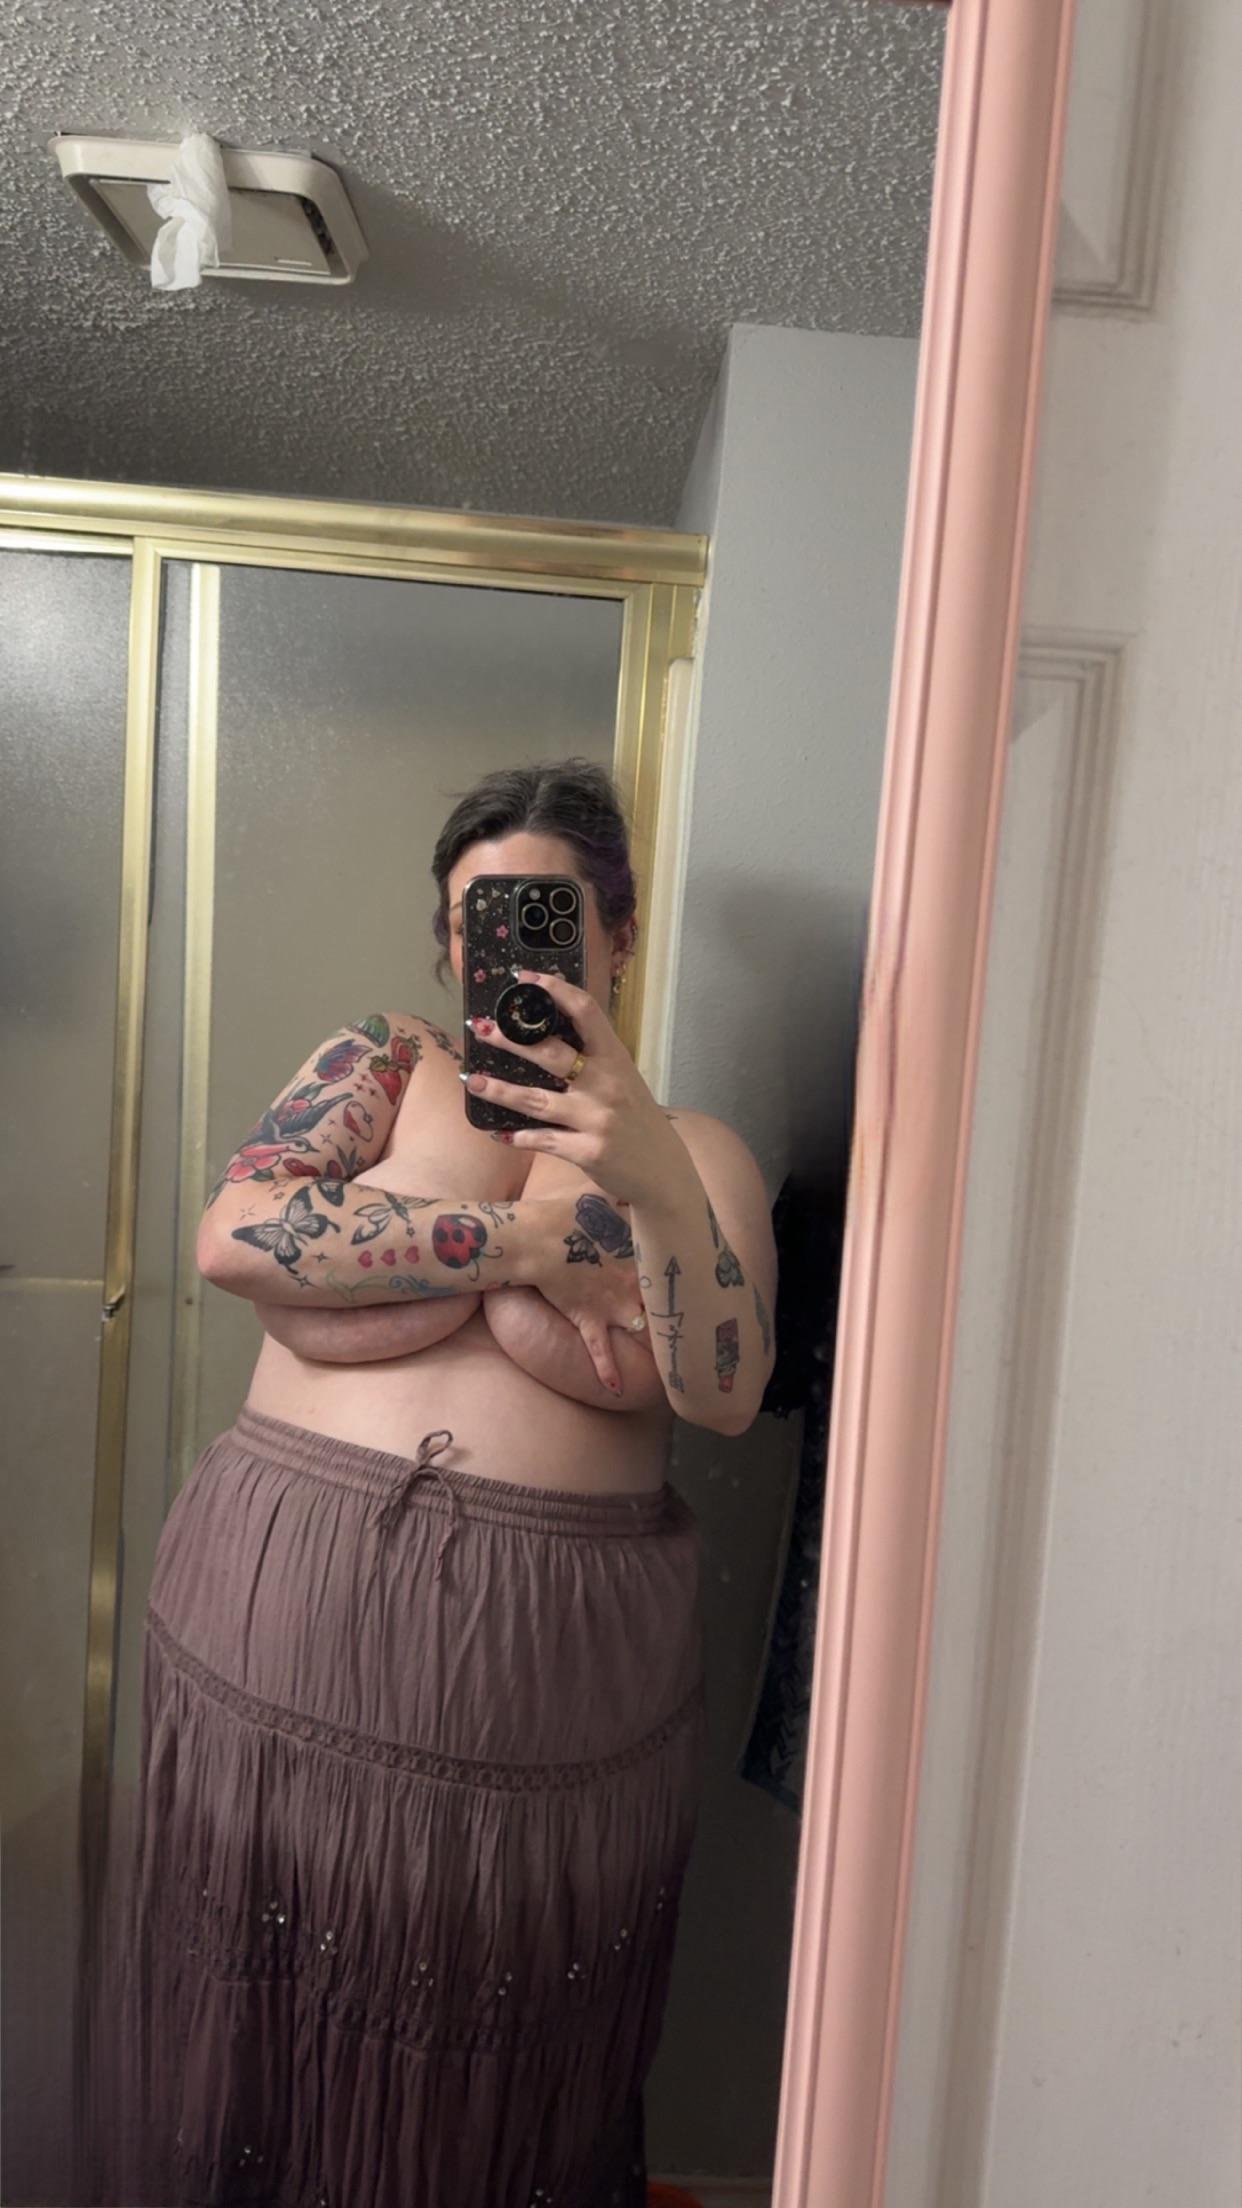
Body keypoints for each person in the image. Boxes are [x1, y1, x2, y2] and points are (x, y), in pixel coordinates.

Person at [84, 760, 777, 2208]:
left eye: (544, 915)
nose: (501, 952)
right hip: (277, 1626)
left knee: (496, 2076)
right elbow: (235, 1235)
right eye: (475, 920)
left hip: (542, 1681)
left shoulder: (697, 1149)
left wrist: (647, 1179)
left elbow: (721, 1388)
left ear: (617, 933)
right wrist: (528, 1246)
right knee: (256, 2046)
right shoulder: (387, 1064)